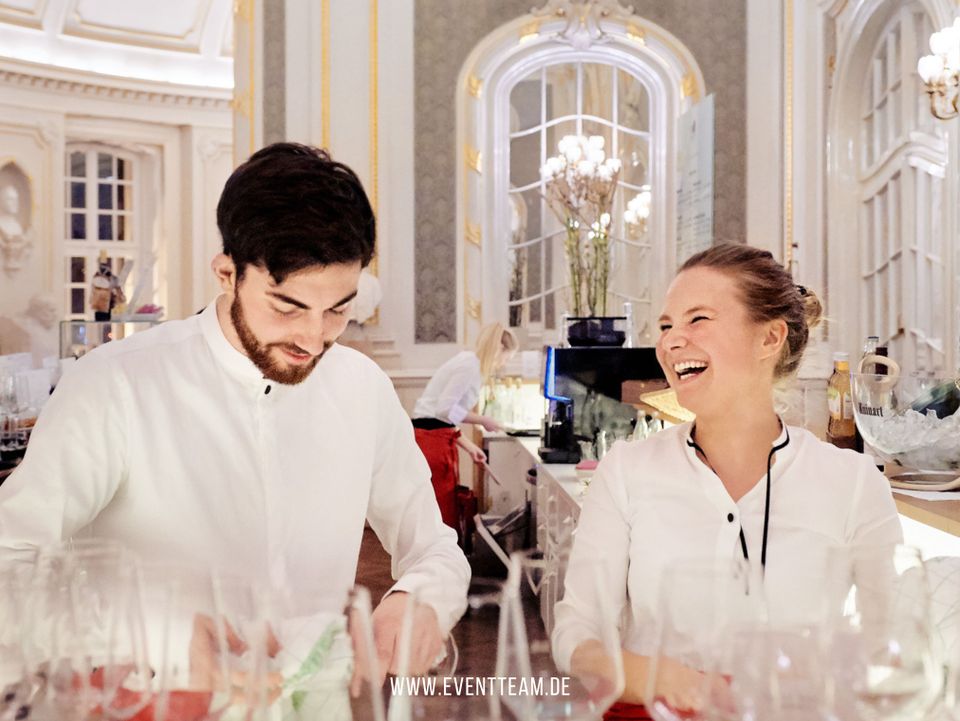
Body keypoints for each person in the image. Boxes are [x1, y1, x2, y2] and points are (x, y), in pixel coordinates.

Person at [0, 142, 470, 679]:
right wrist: (158, 637)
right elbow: (8, 566)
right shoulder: (115, 385)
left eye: (337, 308)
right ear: (227, 274)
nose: (314, 338)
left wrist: (420, 596)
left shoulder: (363, 388)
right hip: (154, 707)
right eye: (287, 306)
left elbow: (434, 547)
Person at [551, 243, 902, 719]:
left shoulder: (853, 482)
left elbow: (888, 648)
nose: (672, 341)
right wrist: (669, 680)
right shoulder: (627, 470)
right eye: (666, 326)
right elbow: (578, 631)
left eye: (698, 320)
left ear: (769, 338)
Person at [411, 322, 518, 530]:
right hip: (432, 444)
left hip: (435, 437)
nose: (504, 363)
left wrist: (470, 448)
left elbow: (442, 418)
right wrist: (483, 420)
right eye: (507, 357)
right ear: (500, 349)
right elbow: (444, 410)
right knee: (440, 513)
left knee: (443, 509)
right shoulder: (471, 366)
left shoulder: (469, 363)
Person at [0, 184, 30, 273]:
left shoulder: (18, 227)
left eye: (16, 199)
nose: (15, 203)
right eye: (10, 199)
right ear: (1, 202)